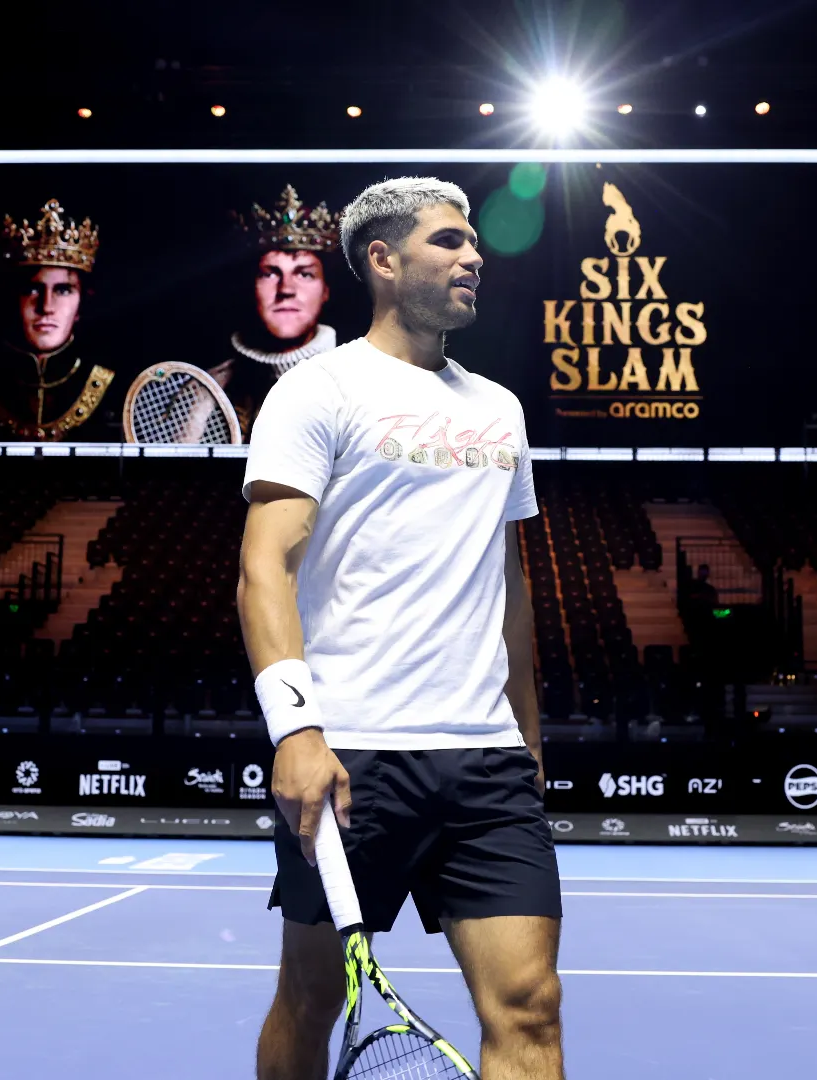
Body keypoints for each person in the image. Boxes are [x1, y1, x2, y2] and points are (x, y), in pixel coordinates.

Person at [238, 177, 563, 1080]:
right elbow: (266, 567)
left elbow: (508, 582)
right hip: (352, 755)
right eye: (450, 242)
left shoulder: (499, 407)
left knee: (531, 1005)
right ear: (383, 260)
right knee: (312, 999)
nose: (475, 257)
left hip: (486, 759)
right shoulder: (318, 391)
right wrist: (296, 731)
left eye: (474, 243)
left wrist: (528, 739)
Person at [0, 199, 125, 441]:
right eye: (32, 290)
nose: (46, 307)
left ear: (81, 302)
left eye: (63, 290)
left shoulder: (116, 392)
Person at [213, 184, 342, 437]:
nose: (286, 289)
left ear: (325, 290)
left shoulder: (366, 384)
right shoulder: (204, 391)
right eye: (270, 274)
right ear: (251, 286)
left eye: (305, 274)